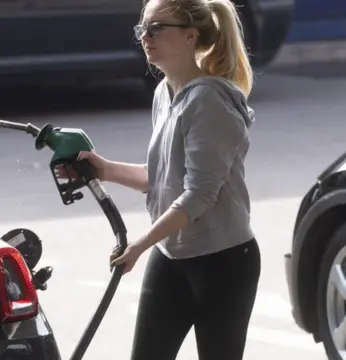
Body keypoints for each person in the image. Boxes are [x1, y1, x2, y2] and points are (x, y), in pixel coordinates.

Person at [75, 0, 261, 359]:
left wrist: (139, 245)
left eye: (158, 27)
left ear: (191, 35)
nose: (146, 36)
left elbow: (198, 195)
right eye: (143, 28)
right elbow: (161, 179)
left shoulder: (208, 101)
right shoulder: (164, 93)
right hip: (172, 255)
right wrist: (103, 169)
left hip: (223, 261)